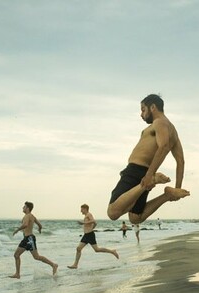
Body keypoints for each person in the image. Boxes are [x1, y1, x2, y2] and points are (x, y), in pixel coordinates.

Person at [107, 94, 190, 225]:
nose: (141, 114)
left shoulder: (159, 122)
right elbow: (181, 161)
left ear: (153, 107)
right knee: (135, 217)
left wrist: (149, 175)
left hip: (137, 171)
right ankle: (166, 195)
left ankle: (150, 182)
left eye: (143, 110)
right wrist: (176, 189)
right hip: (145, 173)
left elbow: (163, 147)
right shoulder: (172, 129)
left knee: (113, 212)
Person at [10, 201, 58, 279]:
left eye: (24, 206)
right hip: (27, 238)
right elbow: (40, 225)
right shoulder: (32, 216)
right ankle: (17, 274)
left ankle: (53, 265)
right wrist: (39, 229)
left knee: (35, 256)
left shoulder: (27, 216)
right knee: (18, 255)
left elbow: (25, 225)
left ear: (28, 208)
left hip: (29, 239)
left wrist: (17, 229)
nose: (23, 208)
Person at [68, 204, 119, 269]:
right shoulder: (86, 215)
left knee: (97, 249)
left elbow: (93, 221)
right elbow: (95, 223)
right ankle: (75, 265)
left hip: (90, 235)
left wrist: (83, 223)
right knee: (78, 248)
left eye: (81, 209)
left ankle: (112, 251)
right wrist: (92, 227)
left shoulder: (89, 214)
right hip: (86, 235)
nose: (81, 211)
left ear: (85, 209)